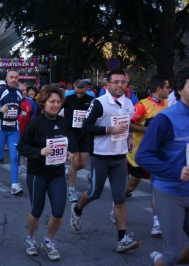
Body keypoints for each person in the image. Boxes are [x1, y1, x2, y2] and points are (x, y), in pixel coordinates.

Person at [70, 69, 141, 253]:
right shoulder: (99, 103)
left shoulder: (128, 103)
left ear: (127, 84)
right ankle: (77, 209)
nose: (119, 85)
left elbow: (126, 123)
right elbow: (86, 128)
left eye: (123, 82)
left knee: (119, 198)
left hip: (119, 157)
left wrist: (130, 135)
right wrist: (108, 130)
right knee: (94, 193)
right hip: (100, 156)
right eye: (116, 82)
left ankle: (122, 238)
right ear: (108, 84)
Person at [136, 68, 189, 266]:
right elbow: (144, 157)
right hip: (170, 192)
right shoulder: (165, 119)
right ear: (180, 90)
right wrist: (177, 171)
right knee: (172, 254)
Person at [110, 75, 169, 235]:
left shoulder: (167, 104)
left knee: (157, 187)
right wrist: (148, 130)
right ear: (159, 89)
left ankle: (157, 223)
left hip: (159, 153)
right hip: (140, 152)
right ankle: (118, 203)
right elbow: (129, 124)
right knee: (131, 185)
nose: (170, 91)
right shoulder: (142, 105)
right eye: (167, 87)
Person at [18, 85, 71, 261]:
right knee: (37, 210)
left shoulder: (63, 122)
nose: (55, 105)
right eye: (51, 102)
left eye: (58, 102)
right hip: (37, 173)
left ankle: (48, 240)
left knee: (58, 212)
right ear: (43, 103)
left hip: (56, 173)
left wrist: (68, 153)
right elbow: (22, 146)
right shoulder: (35, 123)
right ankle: (30, 238)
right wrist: (39, 152)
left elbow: (65, 143)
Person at [0, 69, 26, 195]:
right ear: (7, 79)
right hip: (0, 128)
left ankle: (14, 185)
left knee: (14, 157)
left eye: (16, 77)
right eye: (11, 77)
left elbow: (16, 108)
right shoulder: (0, 92)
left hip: (13, 128)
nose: (14, 79)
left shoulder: (19, 93)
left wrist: (21, 113)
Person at [61, 80, 94, 202]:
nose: (79, 95)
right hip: (71, 132)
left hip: (84, 133)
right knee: (75, 162)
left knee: (83, 164)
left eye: (81, 93)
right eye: (77, 92)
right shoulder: (68, 99)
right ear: (73, 88)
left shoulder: (91, 99)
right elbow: (57, 109)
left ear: (86, 89)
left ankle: (67, 171)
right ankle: (71, 190)